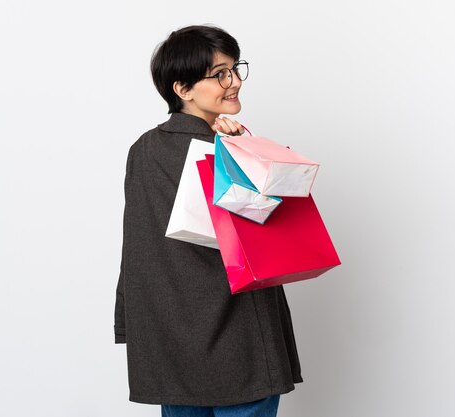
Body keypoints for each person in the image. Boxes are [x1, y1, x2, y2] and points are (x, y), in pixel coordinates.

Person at [114, 25, 302, 417]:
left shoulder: (143, 150)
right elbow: (267, 227)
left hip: (169, 341)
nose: (234, 82)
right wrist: (243, 149)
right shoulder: (223, 149)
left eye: (235, 69)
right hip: (240, 338)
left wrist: (128, 321)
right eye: (220, 74)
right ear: (182, 88)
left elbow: (135, 247)